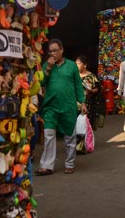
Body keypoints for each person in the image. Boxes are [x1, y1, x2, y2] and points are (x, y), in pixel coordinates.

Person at [37, 39, 86, 175]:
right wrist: (47, 69)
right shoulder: (47, 65)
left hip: (68, 106)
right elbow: (41, 82)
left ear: (61, 50)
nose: (52, 53)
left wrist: (82, 102)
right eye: (50, 51)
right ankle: (47, 166)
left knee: (69, 136)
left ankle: (70, 163)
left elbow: (78, 85)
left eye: (55, 50)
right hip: (50, 107)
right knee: (48, 135)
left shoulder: (71, 66)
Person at [76, 55, 105, 131]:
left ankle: (87, 141)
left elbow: (98, 89)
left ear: (85, 65)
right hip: (74, 104)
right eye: (75, 64)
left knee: (86, 126)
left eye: (78, 64)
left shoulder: (92, 76)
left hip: (88, 104)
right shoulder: (74, 76)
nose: (76, 66)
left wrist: (91, 91)